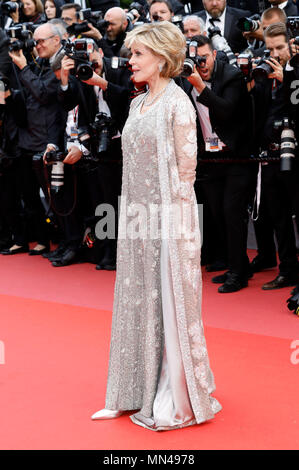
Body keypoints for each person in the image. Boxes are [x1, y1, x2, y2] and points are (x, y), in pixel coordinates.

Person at [91, 21, 222, 431]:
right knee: (134, 301)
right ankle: (128, 391)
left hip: (169, 220)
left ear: (162, 59)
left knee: (168, 303)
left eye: (137, 55)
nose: (129, 61)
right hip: (135, 219)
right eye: (130, 54)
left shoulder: (178, 102)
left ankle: (174, 394)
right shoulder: (136, 104)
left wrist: (176, 230)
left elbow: (187, 173)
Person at [181, 34, 254, 292]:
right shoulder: (185, 78)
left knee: (232, 213)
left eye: (204, 58)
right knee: (217, 213)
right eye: (195, 59)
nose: (200, 64)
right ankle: (237, 264)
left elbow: (226, 111)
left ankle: (238, 273)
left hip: (236, 155)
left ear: (213, 54)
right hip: (209, 158)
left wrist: (200, 87)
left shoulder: (232, 76)